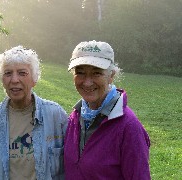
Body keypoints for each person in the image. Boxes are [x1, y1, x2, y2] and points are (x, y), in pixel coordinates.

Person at [0, 45, 68, 180]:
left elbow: (71, 165)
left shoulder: (56, 115)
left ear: (34, 79)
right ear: (2, 80)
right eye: (8, 73)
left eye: (22, 73)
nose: (14, 80)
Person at [64, 40, 151, 179]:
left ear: (111, 76)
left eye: (96, 73)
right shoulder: (76, 116)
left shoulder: (129, 127)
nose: (87, 82)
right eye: (80, 73)